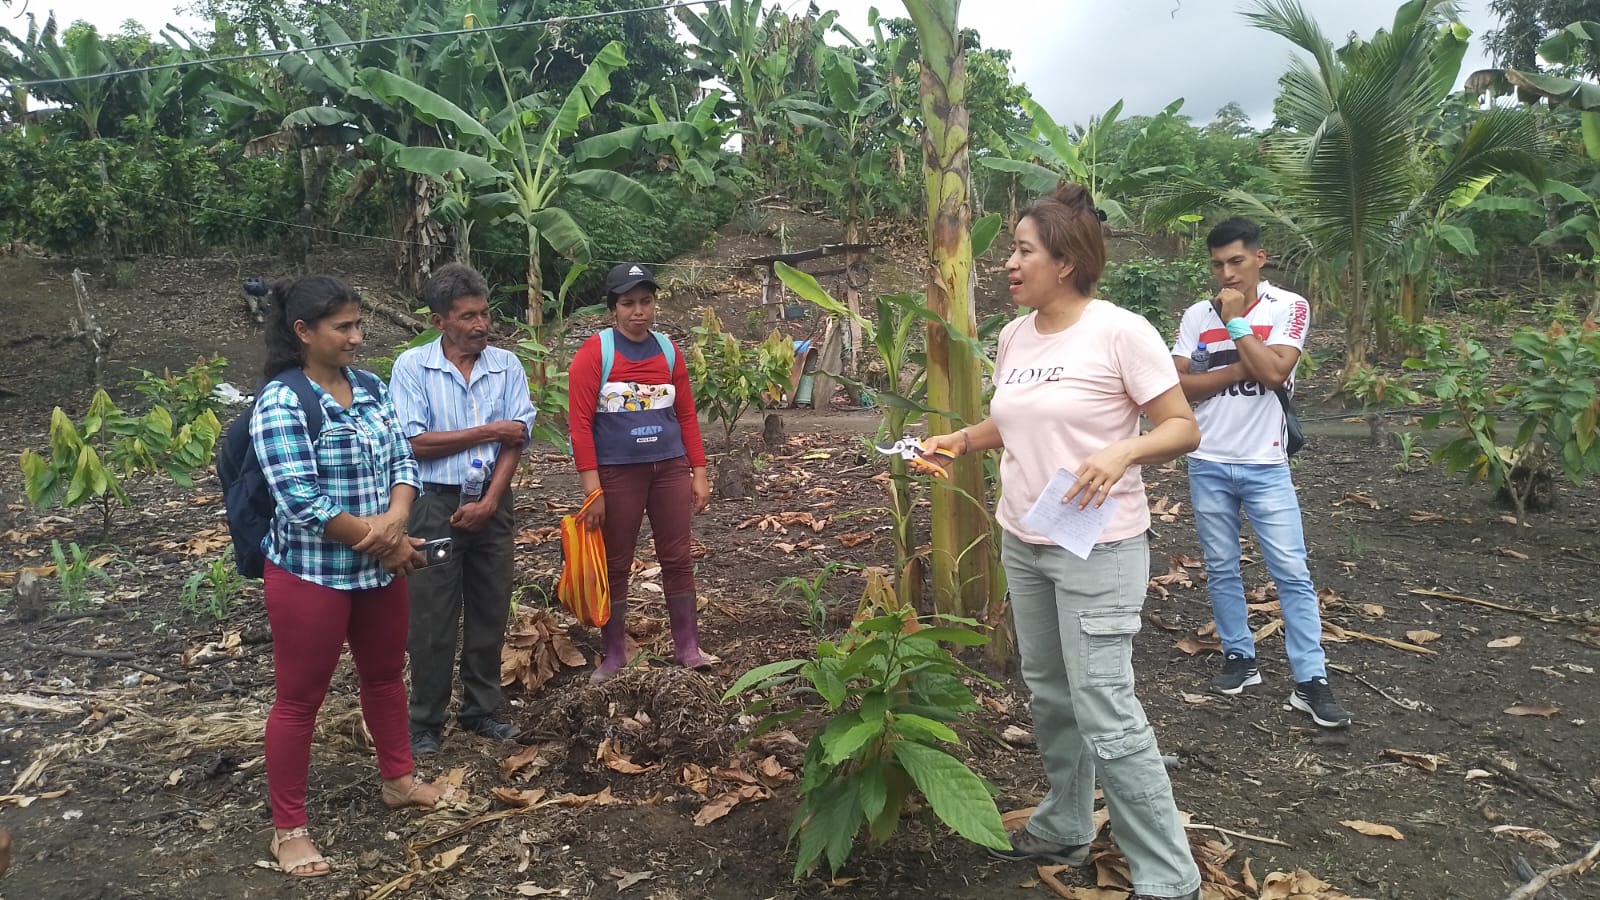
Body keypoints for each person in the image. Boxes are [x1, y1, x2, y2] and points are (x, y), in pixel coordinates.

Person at [921, 185, 1203, 900]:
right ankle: (1065, 823)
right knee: (1050, 693)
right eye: (1012, 251)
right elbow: (1018, 420)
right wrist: (963, 439)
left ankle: (1170, 878)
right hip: (1027, 537)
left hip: (1099, 548)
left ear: (1066, 262)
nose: (1009, 264)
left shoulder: (1120, 332)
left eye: (1023, 251)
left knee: (1104, 704)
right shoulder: (1016, 336)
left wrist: (1124, 451)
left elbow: (1181, 426)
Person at [251, 276, 450, 878]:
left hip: (380, 570)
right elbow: (299, 499)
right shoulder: (282, 402)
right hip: (312, 574)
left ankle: (398, 779)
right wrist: (384, 542)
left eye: (359, 324)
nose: (357, 337)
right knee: (299, 700)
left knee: (385, 677)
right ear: (303, 332)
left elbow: (402, 459)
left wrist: (396, 522)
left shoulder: (369, 387)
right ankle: (289, 829)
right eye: (343, 327)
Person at [1169, 218, 1351, 728]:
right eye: (1218, 265)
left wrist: (1235, 325)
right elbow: (1178, 385)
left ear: (1259, 258)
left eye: (1236, 261)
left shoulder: (1288, 306)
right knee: (1221, 566)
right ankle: (1239, 657)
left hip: (1265, 463)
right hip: (1207, 459)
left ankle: (1311, 679)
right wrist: (1239, 365)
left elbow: (1274, 372)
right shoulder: (1195, 314)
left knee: (1291, 571)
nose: (1227, 273)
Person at [390, 264, 536, 755]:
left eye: (484, 314)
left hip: (493, 501)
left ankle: (481, 710)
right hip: (433, 503)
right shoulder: (414, 367)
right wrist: (489, 431)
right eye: (468, 316)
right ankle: (426, 720)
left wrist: (491, 500)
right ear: (439, 322)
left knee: (490, 606)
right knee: (431, 612)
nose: (481, 325)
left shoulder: (506, 366)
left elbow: (518, 438)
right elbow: (415, 442)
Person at [567, 263, 712, 684]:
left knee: (677, 557)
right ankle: (613, 653)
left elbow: (686, 416)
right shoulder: (595, 353)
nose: (638, 311)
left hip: (669, 469)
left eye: (646, 302)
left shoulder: (668, 351)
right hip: (618, 473)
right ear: (613, 308)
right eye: (628, 303)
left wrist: (698, 472)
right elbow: (579, 425)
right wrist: (592, 491)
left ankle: (687, 647)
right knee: (615, 562)